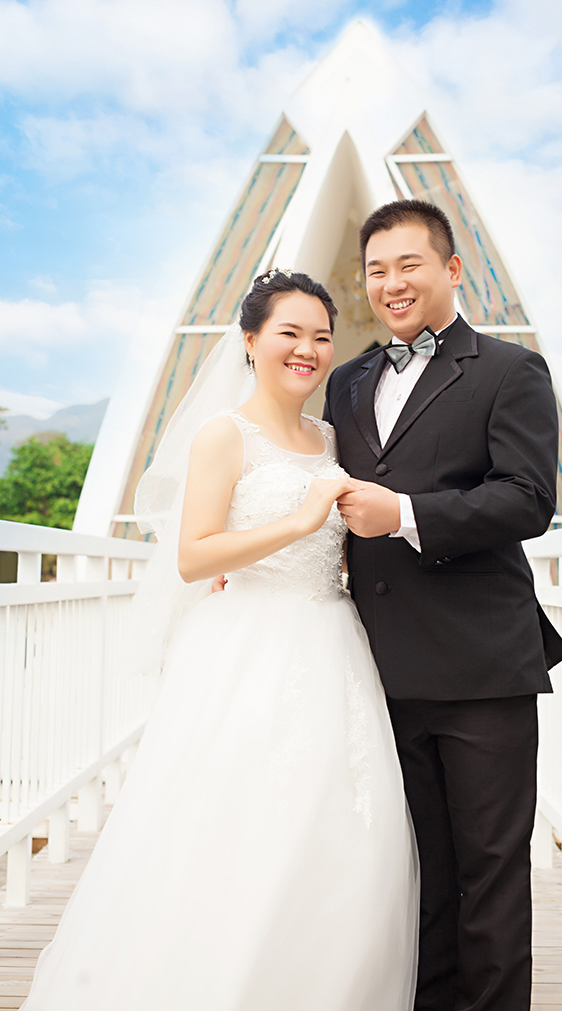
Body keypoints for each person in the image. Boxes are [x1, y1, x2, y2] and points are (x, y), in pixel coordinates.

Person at [22, 270, 418, 1011]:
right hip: (248, 645)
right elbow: (194, 555)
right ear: (250, 341)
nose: (307, 350)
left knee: (340, 826)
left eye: (321, 337)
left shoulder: (332, 439)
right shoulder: (223, 435)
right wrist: (298, 522)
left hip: (333, 641)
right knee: (233, 824)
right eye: (289, 333)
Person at [324, 199, 562, 1011]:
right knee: (417, 870)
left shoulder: (509, 370)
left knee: (489, 871)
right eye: (376, 270)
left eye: (408, 265)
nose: (390, 283)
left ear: (451, 269)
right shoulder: (347, 380)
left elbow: (527, 498)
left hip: (480, 665)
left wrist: (403, 513)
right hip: (379, 665)